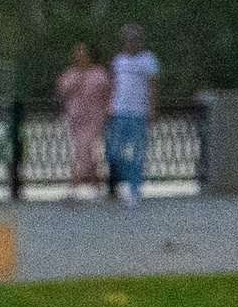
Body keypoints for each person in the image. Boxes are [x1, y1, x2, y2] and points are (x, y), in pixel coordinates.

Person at [106, 23, 161, 206]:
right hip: (120, 111)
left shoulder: (148, 60)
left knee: (138, 153)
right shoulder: (118, 61)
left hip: (139, 112)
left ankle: (134, 189)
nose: (130, 43)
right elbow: (113, 85)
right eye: (127, 40)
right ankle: (122, 181)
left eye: (133, 40)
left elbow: (153, 86)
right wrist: (109, 106)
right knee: (114, 152)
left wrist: (153, 108)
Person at [55, 43, 110, 201]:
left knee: (84, 150)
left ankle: (74, 186)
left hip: (94, 118)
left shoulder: (99, 74)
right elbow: (62, 91)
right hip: (76, 118)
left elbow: (106, 93)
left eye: (84, 53)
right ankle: (96, 185)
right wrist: (76, 83)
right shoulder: (70, 74)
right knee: (86, 152)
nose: (81, 56)